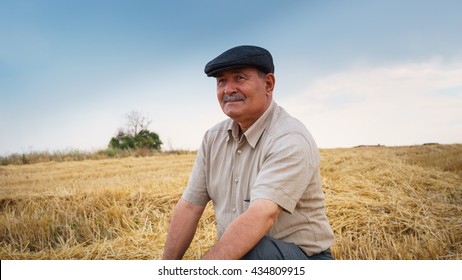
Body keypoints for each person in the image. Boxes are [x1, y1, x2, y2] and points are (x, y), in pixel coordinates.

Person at [163, 45, 334, 260]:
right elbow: (189, 208)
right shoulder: (213, 138)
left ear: (268, 84)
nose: (228, 89)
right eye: (221, 81)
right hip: (247, 257)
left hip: (302, 259)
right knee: (240, 249)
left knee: (250, 248)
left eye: (239, 78)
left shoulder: (289, 138)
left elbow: (261, 216)